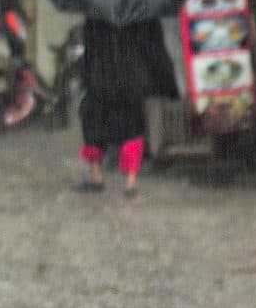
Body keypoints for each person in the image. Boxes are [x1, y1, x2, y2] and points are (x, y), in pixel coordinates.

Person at [76, 13, 179, 194]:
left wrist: (86, 77)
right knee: (131, 126)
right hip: (132, 79)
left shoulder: (97, 11)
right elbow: (154, 48)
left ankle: (96, 173)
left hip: (102, 77)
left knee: (93, 124)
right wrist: (166, 83)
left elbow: (89, 49)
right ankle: (131, 182)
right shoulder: (143, 12)